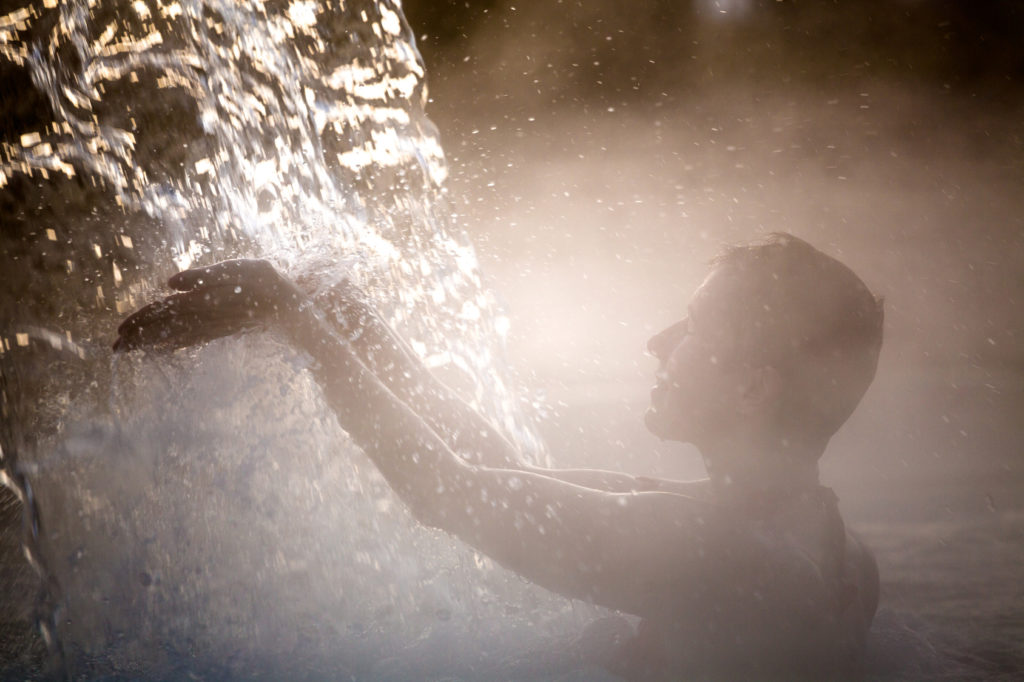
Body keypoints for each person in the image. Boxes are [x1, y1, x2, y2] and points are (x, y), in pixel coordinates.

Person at [114, 232, 883, 680]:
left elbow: (445, 490)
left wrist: (297, 323)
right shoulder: (822, 540)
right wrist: (344, 312)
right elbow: (495, 465)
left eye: (691, 330)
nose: (658, 344)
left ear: (753, 388)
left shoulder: (722, 549)